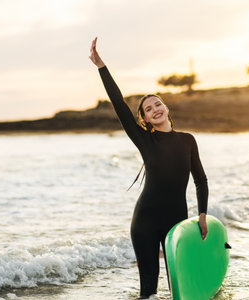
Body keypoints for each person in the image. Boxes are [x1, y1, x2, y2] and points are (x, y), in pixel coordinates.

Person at [89, 37, 209, 299]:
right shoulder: (145, 140)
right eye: (148, 109)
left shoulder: (187, 140)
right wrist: (102, 67)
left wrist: (202, 215)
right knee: (149, 293)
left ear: (166, 108)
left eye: (158, 104)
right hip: (144, 221)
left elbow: (200, 180)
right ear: (143, 119)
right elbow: (119, 104)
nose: (154, 109)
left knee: (181, 288)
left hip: (177, 223)